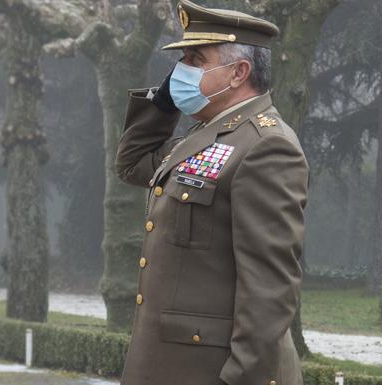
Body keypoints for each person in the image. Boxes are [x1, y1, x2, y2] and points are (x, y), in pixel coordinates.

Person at [115, 1, 309, 385]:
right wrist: (165, 101)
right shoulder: (208, 137)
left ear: (238, 72)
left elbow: (268, 289)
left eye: (195, 59)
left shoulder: (266, 146)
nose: (182, 70)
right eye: (181, 60)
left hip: (212, 373)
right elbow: (132, 164)